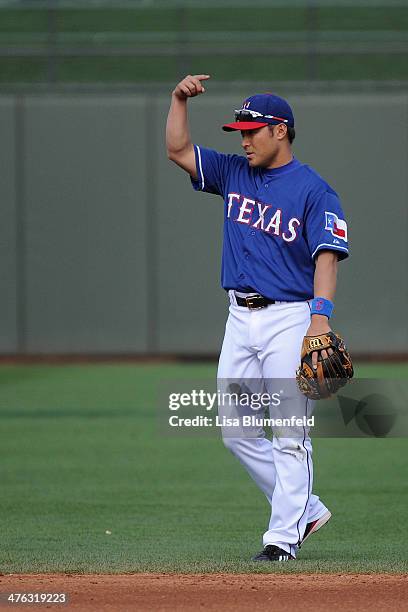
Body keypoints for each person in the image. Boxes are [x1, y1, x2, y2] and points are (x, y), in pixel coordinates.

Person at [166, 74, 349, 562]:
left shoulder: (315, 191)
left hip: (291, 317)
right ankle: (305, 509)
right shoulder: (232, 172)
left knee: (290, 433)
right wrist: (178, 100)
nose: (243, 139)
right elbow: (178, 150)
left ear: (281, 131)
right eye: (240, 132)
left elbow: (326, 257)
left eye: (252, 130)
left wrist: (320, 319)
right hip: (239, 318)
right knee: (236, 432)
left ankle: (281, 539)